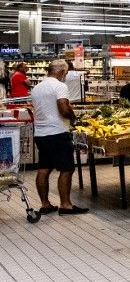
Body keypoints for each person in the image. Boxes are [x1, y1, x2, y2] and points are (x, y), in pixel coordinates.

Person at [31, 59, 87, 215]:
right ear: (61, 71)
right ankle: (66, 205)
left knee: (44, 168)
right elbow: (63, 107)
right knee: (67, 168)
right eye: (66, 72)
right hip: (57, 133)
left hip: (40, 134)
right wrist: (72, 116)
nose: (66, 75)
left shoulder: (37, 88)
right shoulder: (60, 86)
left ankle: (45, 204)